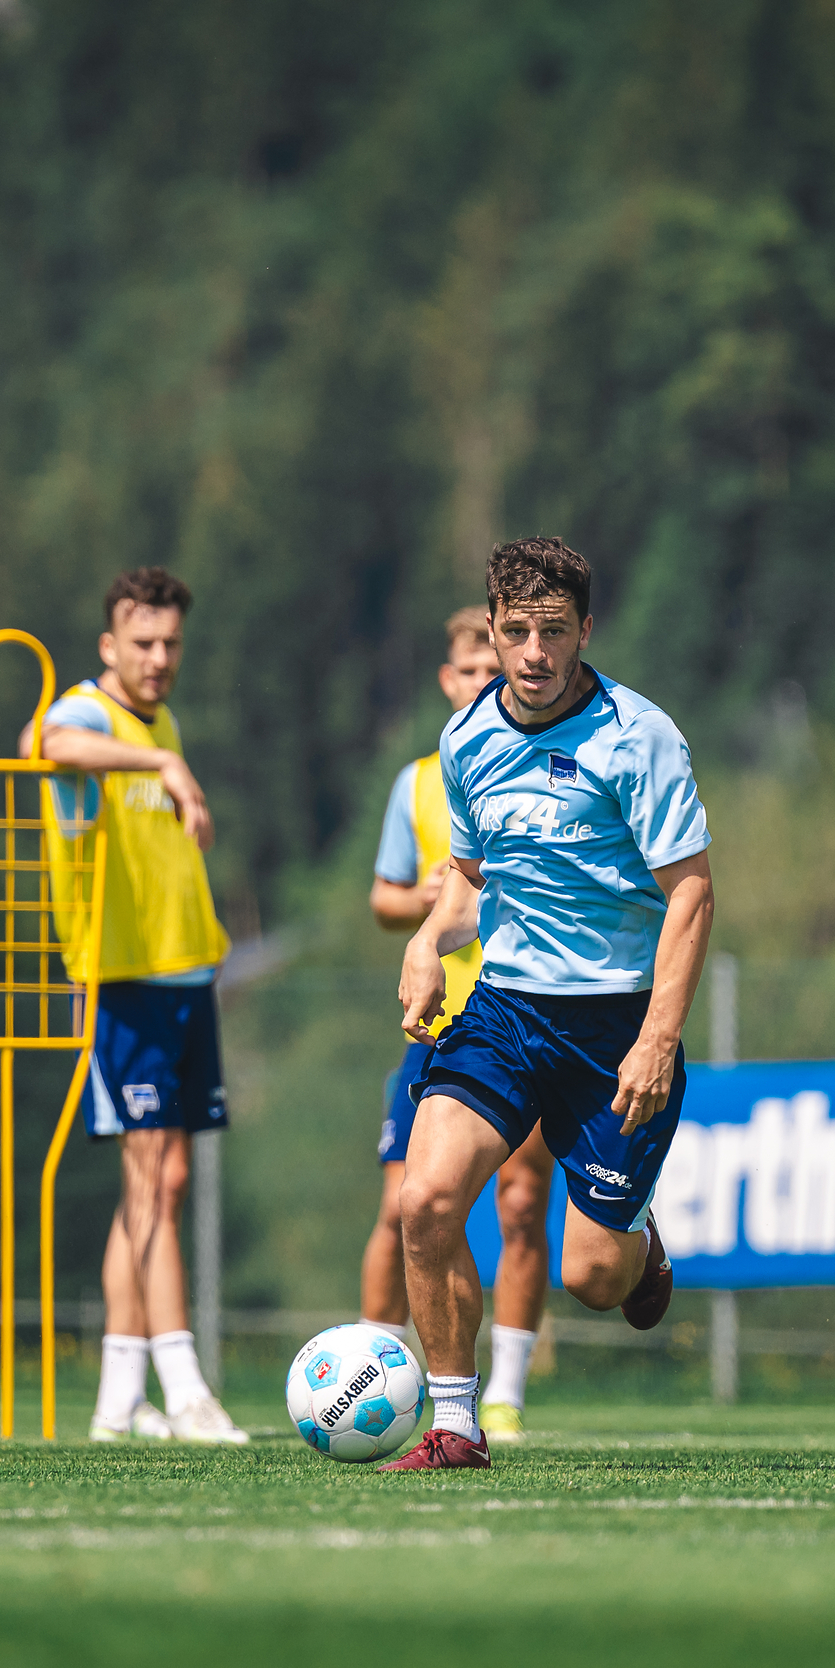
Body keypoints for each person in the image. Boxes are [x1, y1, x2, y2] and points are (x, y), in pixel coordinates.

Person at [382, 537, 714, 1470]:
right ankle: (456, 1425)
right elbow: (471, 879)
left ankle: (639, 1247)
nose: (533, 652)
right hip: (505, 1011)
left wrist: (659, 1037)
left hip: (617, 1026)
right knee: (426, 1198)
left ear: (584, 632)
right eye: (517, 631)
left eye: (554, 631)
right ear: (492, 630)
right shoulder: (465, 741)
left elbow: (690, 891)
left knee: (593, 1279)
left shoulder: (638, 735)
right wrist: (425, 941)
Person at [20, 566, 250, 1445]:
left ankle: (120, 1399)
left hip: (186, 976)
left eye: (171, 644)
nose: (159, 659)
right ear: (109, 645)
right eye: (142, 643)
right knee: (149, 1178)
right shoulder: (91, 713)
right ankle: (186, 1387)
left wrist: (165, 754)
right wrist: (160, 759)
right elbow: (45, 744)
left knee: (163, 1182)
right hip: (122, 982)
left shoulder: (164, 723)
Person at [363, 607, 560, 1444]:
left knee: (521, 1204)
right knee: (405, 1207)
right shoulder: (420, 780)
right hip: (437, 1022)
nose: (482, 679)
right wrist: (437, 900)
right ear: (448, 679)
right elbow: (383, 897)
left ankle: (504, 1391)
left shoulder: (545, 765)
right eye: (468, 669)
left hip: (523, 1011)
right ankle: (373, 1364)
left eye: (494, 665)